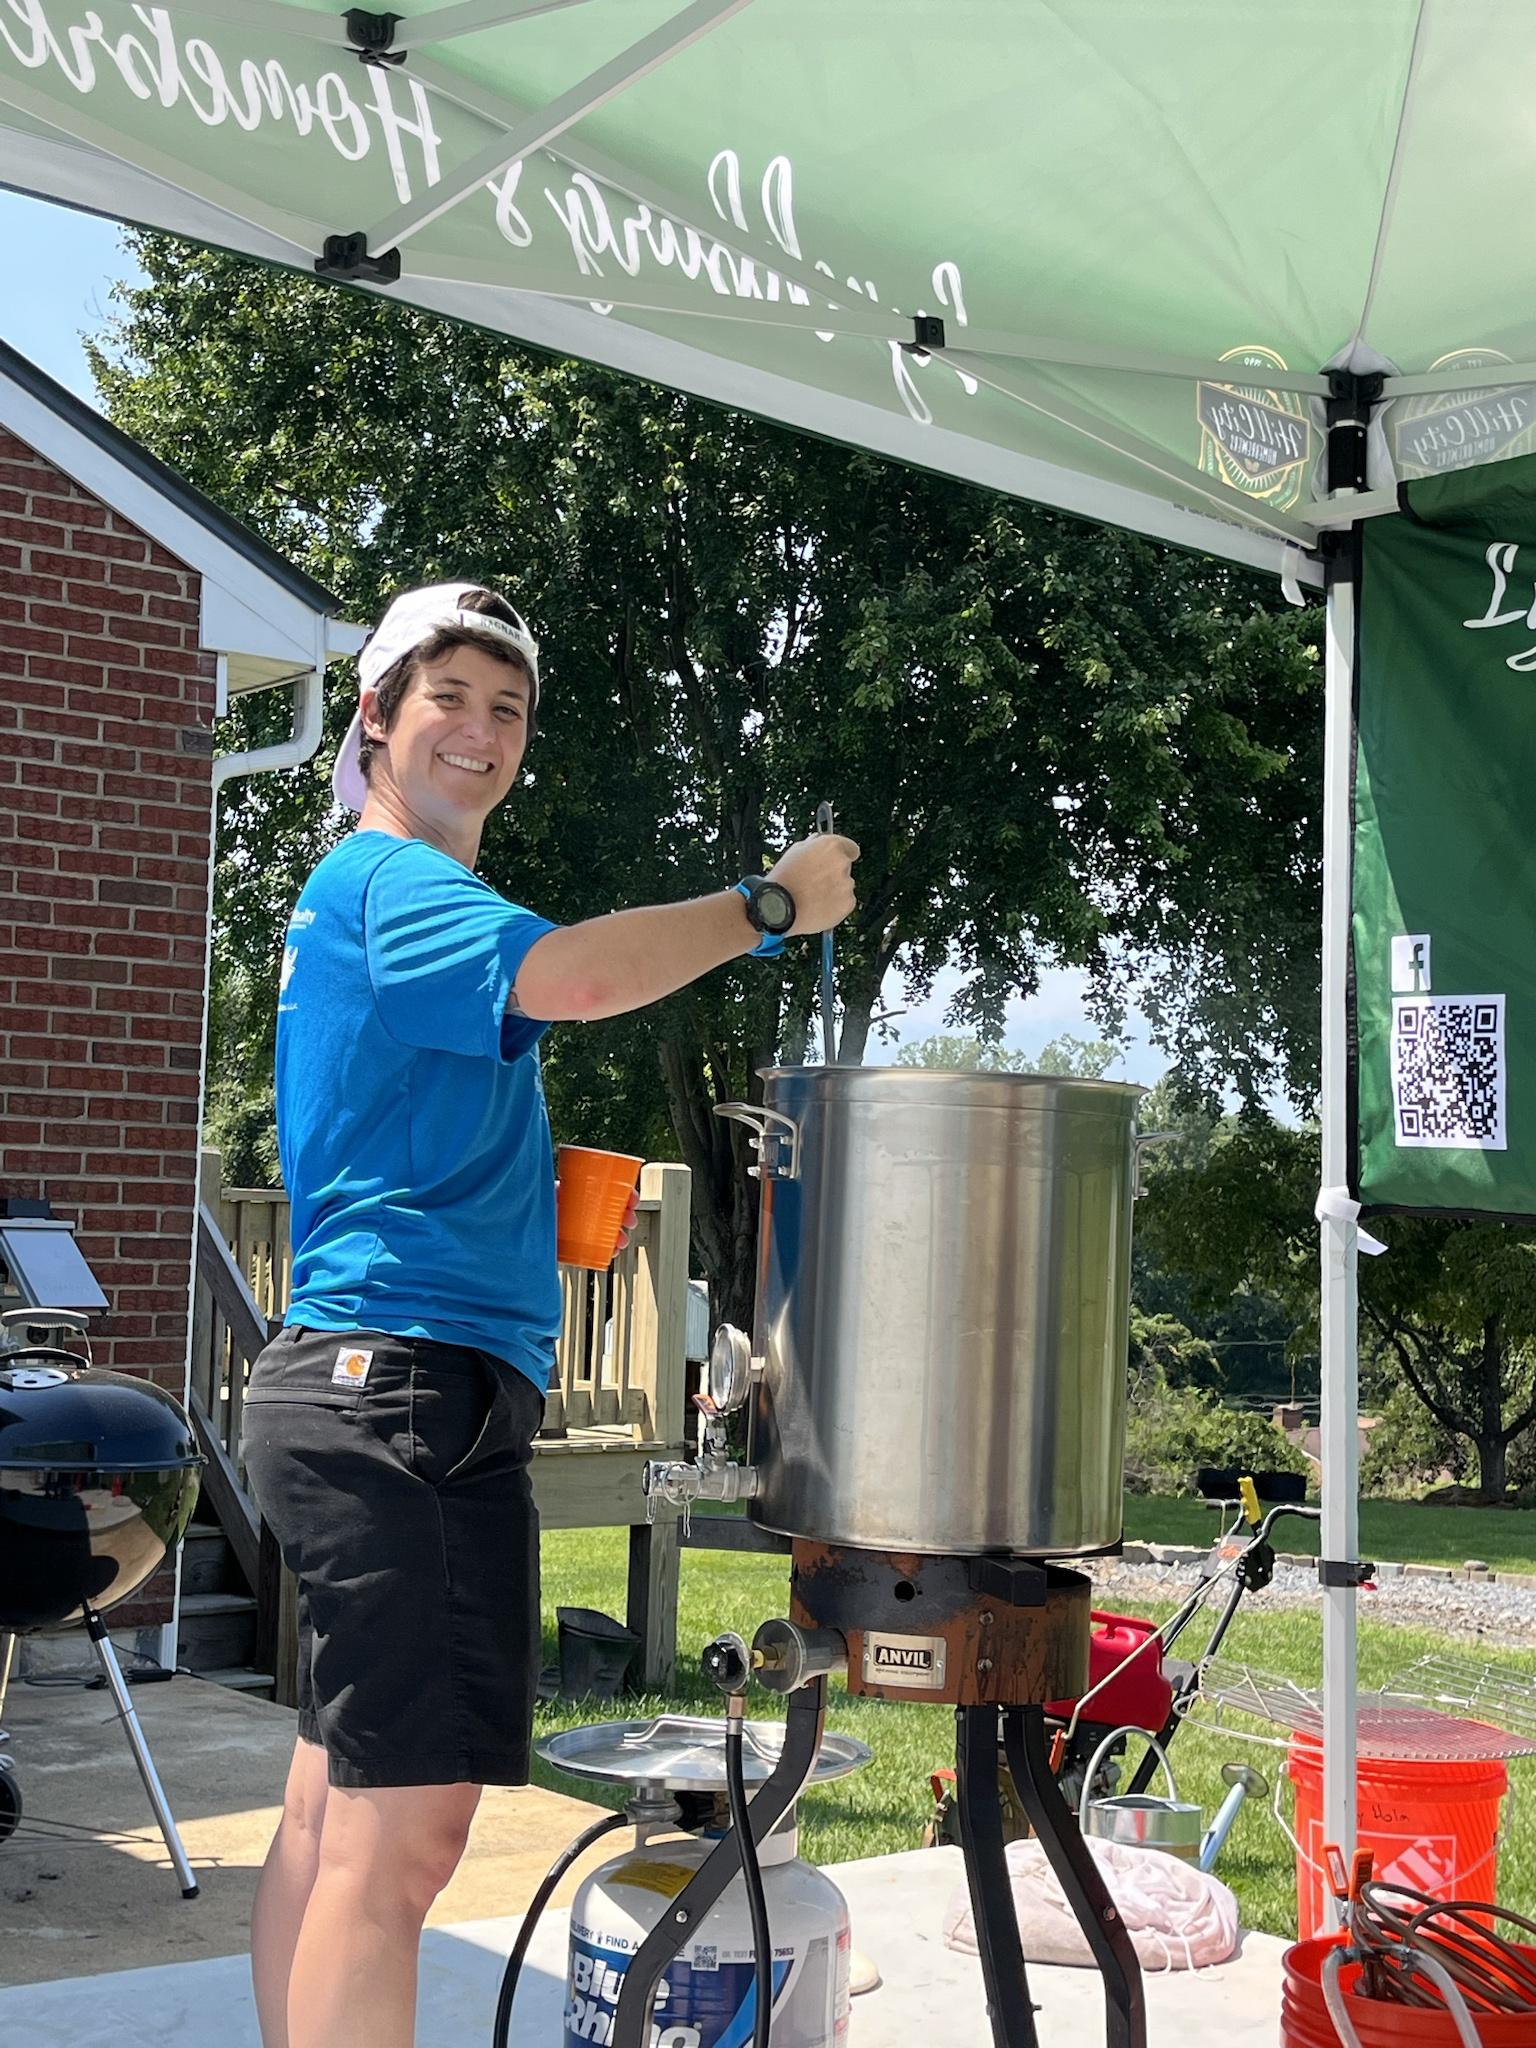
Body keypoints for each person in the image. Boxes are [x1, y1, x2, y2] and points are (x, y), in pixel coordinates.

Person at [240, 581, 858, 2048]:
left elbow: (421, 1111)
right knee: (403, 1846)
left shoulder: (364, 896)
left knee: (334, 1815)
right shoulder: (397, 883)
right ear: (375, 717)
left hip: (356, 1383)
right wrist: (769, 908)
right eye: (447, 697)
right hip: (402, 1405)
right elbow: (573, 975)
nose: (481, 729)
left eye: (508, 708)